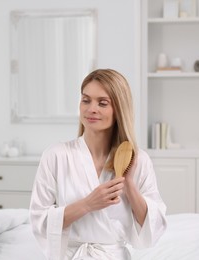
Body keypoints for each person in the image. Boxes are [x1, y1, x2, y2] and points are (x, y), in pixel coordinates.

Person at [29, 68, 167, 260]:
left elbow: (153, 227)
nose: (91, 109)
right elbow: (39, 221)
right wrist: (87, 204)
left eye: (102, 103)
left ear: (119, 109)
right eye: (86, 100)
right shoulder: (56, 156)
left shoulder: (137, 160)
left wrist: (129, 184)